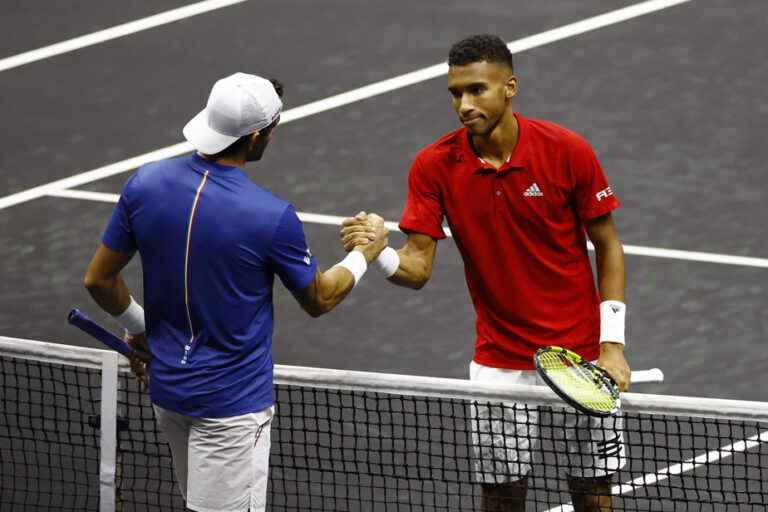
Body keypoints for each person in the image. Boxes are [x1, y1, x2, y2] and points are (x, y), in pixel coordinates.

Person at [341, 34, 630, 511]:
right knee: (500, 497)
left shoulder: (567, 151)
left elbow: (608, 245)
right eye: (456, 92)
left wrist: (612, 345)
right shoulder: (434, 166)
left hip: (582, 357)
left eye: (477, 90)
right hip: (499, 362)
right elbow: (417, 269)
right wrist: (381, 254)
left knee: (593, 494)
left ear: (509, 87)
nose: (464, 104)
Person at [83, 72, 388, 512]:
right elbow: (320, 298)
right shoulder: (271, 216)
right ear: (257, 136)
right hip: (231, 410)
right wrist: (365, 252)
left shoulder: (143, 184)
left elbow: (99, 280)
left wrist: (142, 328)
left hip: (169, 394)